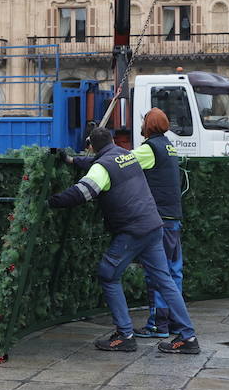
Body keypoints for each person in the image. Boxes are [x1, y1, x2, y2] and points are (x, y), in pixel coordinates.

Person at [48, 127, 199, 354]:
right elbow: (99, 166)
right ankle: (188, 337)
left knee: (108, 275)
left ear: (93, 147)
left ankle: (125, 335)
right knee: (165, 281)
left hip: (133, 230)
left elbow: (82, 192)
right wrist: (71, 160)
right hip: (153, 225)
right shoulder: (125, 155)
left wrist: (50, 202)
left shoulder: (102, 166)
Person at [129, 109, 184, 339]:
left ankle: (157, 325)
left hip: (159, 219)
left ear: (148, 125)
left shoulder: (149, 149)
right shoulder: (169, 146)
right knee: (174, 272)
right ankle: (174, 322)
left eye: (143, 121)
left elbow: (119, 162)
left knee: (157, 273)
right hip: (174, 217)